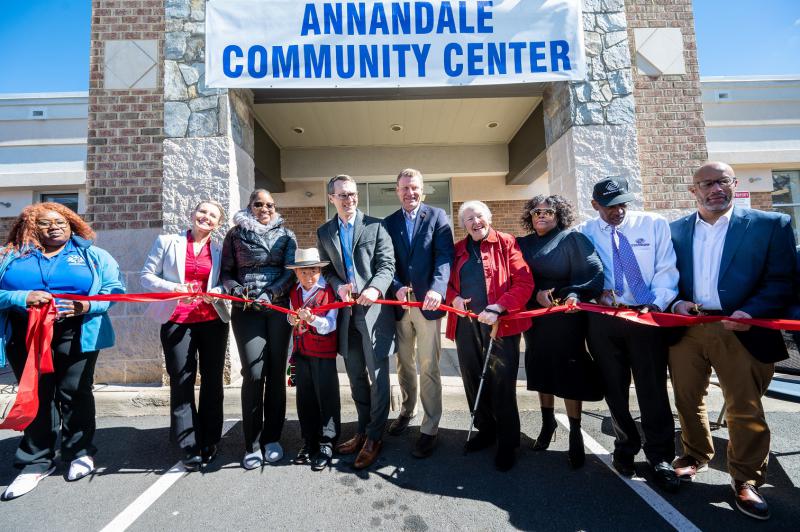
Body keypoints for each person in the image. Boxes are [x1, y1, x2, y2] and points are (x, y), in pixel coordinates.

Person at [669, 162, 796, 521]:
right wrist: (676, 301)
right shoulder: (675, 229)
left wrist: (751, 312)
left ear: (734, 184)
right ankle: (694, 455)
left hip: (744, 328)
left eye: (723, 181)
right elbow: (667, 276)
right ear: (693, 190)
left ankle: (746, 479)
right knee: (687, 398)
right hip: (689, 328)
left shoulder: (771, 225)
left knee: (744, 407)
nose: (715, 189)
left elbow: (782, 279)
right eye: (706, 183)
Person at [0, 203, 125, 500]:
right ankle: (36, 461)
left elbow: (114, 289)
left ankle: (80, 452)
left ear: (71, 223)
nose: (54, 227)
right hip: (26, 333)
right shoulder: (11, 256)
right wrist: (22, 296)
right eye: (45, 223)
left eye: (60, 221)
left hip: (77, 332)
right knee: (36, 393)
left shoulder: (92, 255)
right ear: (32, 226)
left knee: (75, 391)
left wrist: (88, 305)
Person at [577, 176, 681, 493]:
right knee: (615, 389)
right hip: (605, 320)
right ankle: (625, 448)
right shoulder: (586, 231)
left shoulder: (653, 224)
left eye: (622, 203)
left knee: (652, 388)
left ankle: (661, 457)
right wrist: (595, 293)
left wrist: (655, 304)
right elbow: (584, 272)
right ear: (596, 206)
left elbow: (667, 269)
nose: (618, 211)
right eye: (609, 206)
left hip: (645, 315)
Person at [140, 200, 230, 469]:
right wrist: (177, 287)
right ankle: (188, 444)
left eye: (213, 215)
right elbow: (146, 277)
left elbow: (228, 279)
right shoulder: (167, 242)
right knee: (182, 380)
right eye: (202, 212)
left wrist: (218, 290)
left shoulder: (220, 248)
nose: (206, 217)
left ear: (218, 223)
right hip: (177, 321)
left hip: (213, 321)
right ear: (192, 215)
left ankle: (210, 440)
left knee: (213, 381)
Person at [516, 195, 604, 469]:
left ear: (559, 214)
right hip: (535, 318)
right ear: (530, 216)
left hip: (566, 317)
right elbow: (514, 277)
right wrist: (535, 294)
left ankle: (576, 432)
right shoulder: (522, 244)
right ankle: (547, 422)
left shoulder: (571, 239)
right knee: (541, 366)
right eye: (536, 211)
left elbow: (592, 272)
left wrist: (570, 294)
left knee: (569, 370)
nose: (541, 215)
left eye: (548, 211)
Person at [446, 200, 533, 472]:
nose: (475, 222)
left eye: (479, 216)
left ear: (489, 217)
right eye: (469, 218)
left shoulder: (506, 243)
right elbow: (446, 284)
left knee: (501, 382)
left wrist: (499, 306)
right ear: (463, 225)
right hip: (467, 325)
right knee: (472, 378)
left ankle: (508, 443)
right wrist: (455, 299)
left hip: (500, 325)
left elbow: (524, 282)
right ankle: (486, 431)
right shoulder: (458, 250)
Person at [316, 174, 396, 470]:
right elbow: (326, 271)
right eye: (343, 195)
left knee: (377, 378)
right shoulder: (324, 232)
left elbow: (387, 264)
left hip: (374, 313)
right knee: (354, 374)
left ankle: (375, 436)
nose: (349, 199)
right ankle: (362, 429)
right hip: (346, 315)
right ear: (332, 199)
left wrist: (375, 287)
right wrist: (338, 285)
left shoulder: (376, 225)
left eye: (352, 194)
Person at [221, 189, 297, 469]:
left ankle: (272, 438)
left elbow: (291, 271)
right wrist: (237, 289)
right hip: (247, 310)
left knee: (277, 372)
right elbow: (225, 273)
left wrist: (273, 292)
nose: (265, 208)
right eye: (258, 204)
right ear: (249, 206)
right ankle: (251, 443)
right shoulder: (235, 234)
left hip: (277, 309)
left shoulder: (287, 235)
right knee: (254, 373)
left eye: (270, 204)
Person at [382, 168, 454, 458]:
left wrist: (438, 288)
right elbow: (386, 261)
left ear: (422, 190)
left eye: (414, 188)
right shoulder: (389, 222)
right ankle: (407, 410)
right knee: (404, 363)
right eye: (404, 188)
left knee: (429, 365)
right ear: (397, 191)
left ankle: (430, 426)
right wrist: (396, 286)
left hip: (428, 304)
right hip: (401, 305)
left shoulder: (436, 216)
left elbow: (444, 256)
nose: (409, 193)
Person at [286, 248, 340, 471]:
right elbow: (292, 319)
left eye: (314, 271)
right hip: (302, 352)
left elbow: (331, 324)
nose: (309, 277)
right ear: (296, 273)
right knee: (305, 398)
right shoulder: (294, 292)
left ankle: (327, 443)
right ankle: (309, 441)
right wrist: (292, 319)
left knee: (326, 397)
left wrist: (313, 319)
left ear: (320, 271)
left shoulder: (328, 292)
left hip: (323, 354)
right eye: (304, 272)